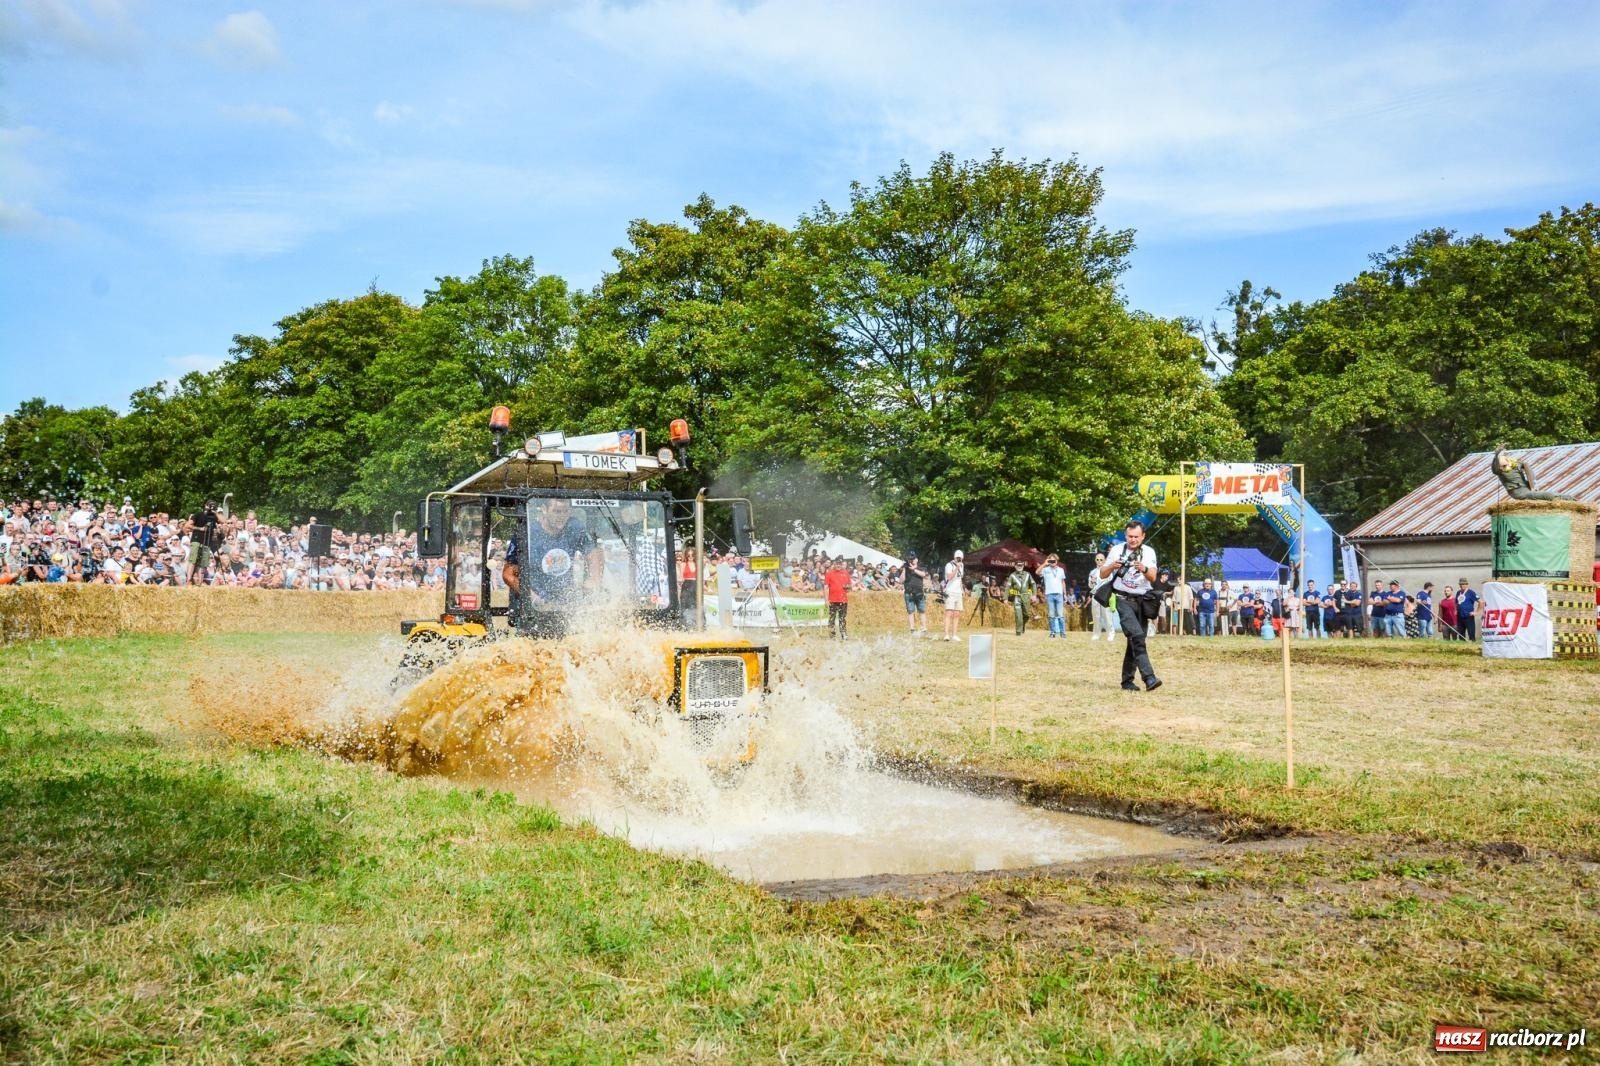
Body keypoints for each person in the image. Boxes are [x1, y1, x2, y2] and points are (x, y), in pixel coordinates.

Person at [507, 497, 604, 616]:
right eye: (557, 511)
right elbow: (508, 574)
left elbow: (595, 554)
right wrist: (534, 598)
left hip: (566, 603)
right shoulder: (527, 532)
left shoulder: (574, 527)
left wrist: (592, 580)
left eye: (566, 511)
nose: (562, 516)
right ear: (544, 509)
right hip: (532, 608)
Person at [1097, 521, 1161, 692]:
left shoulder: (1149, 552)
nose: (1132, 540)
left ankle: (1127, 682)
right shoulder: (1117, 550)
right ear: (1125, 536)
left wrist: (1143, 568)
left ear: (1143, 536)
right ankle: (1149, 678)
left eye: (1136, 537)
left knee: (1134, 640)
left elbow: (1153, 577)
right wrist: (1112, 566)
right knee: (1137, 636)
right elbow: (1103, 573)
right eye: (1129, 536)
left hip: (1142, 600)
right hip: (1122, 599)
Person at [1038, 554, 1067, 638]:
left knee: (1060, 614)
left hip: (1059, 594)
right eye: (1051, 560)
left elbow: (1063, 582)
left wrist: (1065, 594)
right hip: (1049, 594)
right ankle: (1052, 632)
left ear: (1057, 561)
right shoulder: (1046, 569)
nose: (1052, 562)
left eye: (1054, 561)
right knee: (1051, 614)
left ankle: (1062, 632)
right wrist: (1044, 563)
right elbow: (1037, 572)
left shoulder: (1061, 570)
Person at [1004, 560, 1036, 636]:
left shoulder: (1027, 575)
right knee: (1018, 615)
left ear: (1023, 566)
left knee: (1027, 615)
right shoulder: (1012, 575)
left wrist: (1034, 595)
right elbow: (1007, 587)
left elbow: (1033, 584)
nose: (1019, 566)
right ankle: (1018, 631)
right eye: (1018, 565)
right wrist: (1005, 598)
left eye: (1021, 565)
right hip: (1017, 597)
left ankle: (1022, 626)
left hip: (1026, 597)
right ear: (1015, 566)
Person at [903, 553, 930, 636]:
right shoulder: (906, 568)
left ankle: (924, 628)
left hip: (919, 592)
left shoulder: (921, 568)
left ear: (917, 560)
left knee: (922, 611)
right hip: (909, 592)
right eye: (911, 559)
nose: (912, 560)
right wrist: (904, 571)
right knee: (911, 611)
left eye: (913, 559)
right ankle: (912, 629)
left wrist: (914, 569)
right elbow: (901, 580)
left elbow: (924, 574)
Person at [824, 557, 850, 640]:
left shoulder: (846, 573)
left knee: (842, 618)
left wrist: (847, 587)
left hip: (843, 600)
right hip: (832, 600)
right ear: (834, 564)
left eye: (840, 564)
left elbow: (849, 587)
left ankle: (844, 634)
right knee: (832, 618)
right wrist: (826, 600)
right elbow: (826, 587)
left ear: (842, 564)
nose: (838, 565)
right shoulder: (829, 573)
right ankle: (832, 636)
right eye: (837, 564)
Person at [941, 551, 965, 641]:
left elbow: (960, 578)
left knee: (957, 614)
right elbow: (949, 577)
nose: (959, 560)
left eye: (960, 558)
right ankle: (946, 634)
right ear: (954, 557)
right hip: (950, 591)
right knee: (949, 613)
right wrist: (956, 568)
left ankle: (954, 634)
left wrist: (962, 589)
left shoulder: (962, 565)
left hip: (958, 592)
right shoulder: (949, 565)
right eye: (957, 558)